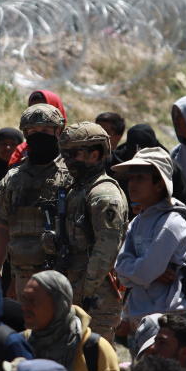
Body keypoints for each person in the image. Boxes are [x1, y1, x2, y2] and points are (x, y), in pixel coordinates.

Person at [0, 104, 72, 298]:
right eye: (32, 131)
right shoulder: (12, 179)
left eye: (45, 130)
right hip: (21, 275)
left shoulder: (71, 176)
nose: (38, 135)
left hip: (60, 277)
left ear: (58, 131)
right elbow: (1, 227)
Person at [58, 122, 128, 340]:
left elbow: (106, 250)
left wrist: (83, 291)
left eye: (74, 153)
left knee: (94, 359)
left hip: (96, 297)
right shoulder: (76, 189)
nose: (68, 160)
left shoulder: (104, 194)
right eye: (65, 153)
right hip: (74, 287)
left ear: (95, 154)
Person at [112, 146, 186, 323]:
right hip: (139, 315)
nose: (132, 184)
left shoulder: (171, 224)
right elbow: (119, 269)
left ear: (159, 184)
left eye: (140, 178)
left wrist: (141, 272)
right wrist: (147, 272)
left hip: (166, 319)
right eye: (131, 178)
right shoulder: (137, 221)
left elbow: (143, 273)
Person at [5, 90, 69, 166]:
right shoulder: (22, 151)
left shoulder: (73, 151)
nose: (37, 113)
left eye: (43, 108)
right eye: (33, 108)